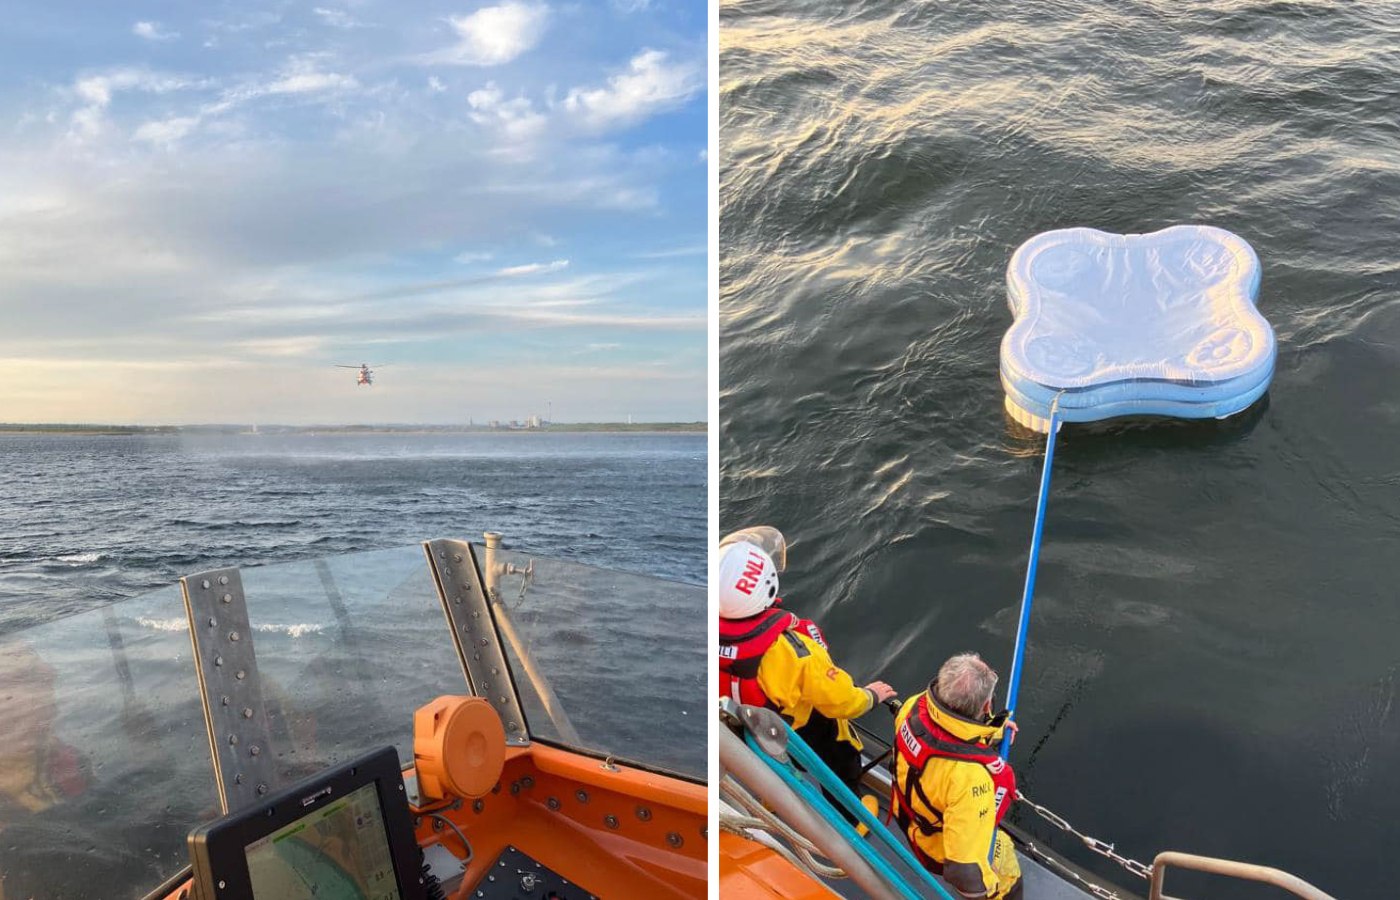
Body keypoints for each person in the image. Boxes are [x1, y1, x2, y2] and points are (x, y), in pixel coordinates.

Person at [717, 538, 896, 802]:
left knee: (779, 766)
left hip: (748, 727)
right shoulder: (794, 650)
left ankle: (776, 801)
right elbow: (842, 702)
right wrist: (871, 695)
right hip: (801, 729)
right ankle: (852, 820)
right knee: (840, 765)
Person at [892, 652, 1022, 900]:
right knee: (1004, 857)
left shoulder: (913, 706)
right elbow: (964, 870)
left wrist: (993, 730)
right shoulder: (970, 779)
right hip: (935, 848)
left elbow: (949, 732)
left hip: (907, 814)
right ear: (986, 706)